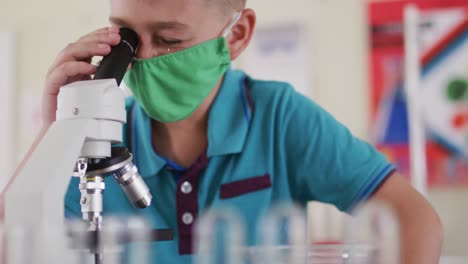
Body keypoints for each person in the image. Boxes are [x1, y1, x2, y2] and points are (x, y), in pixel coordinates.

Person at [11, 0, 442, 263]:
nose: (143, 57)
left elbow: (416, 219)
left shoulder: (280, 119)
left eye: (170, 40)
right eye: (127, 37)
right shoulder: (104, 139)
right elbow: (10, 242)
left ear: (235, 35)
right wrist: (57, 131)